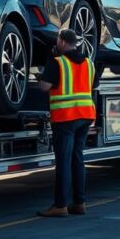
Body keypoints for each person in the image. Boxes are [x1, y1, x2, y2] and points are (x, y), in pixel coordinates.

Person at [36, 29, 97, 217]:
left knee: (63, 162)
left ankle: (60, 205)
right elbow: (93, 85)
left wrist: (42, 75)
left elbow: (44, 87)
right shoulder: (89, 63)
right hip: (85, 116)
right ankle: (80, 203)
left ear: (61, 42)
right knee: (78, 159)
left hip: (66, 118)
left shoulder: (58, 63)